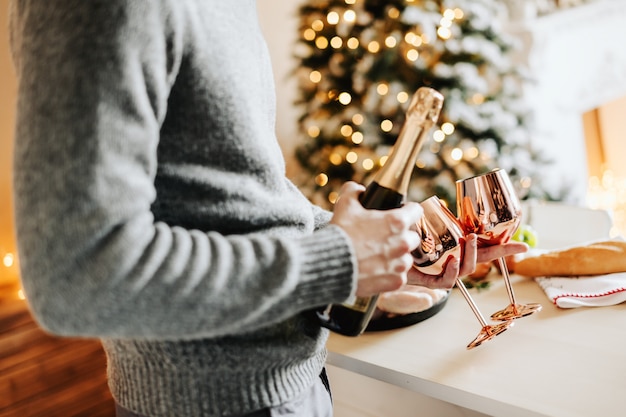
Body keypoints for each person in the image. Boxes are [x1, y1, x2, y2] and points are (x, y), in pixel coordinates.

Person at [8, 1, 527, 416]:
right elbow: (75, 276)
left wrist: (371, 245)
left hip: (290, 384)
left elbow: (228, 197)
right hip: (213, 405)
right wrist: (338, 258)